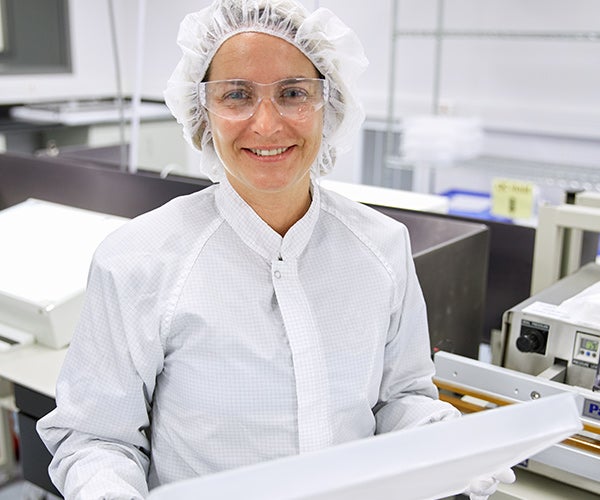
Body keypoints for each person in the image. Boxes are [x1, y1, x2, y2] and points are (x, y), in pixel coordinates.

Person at [38, 0, 514, 498]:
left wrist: (445, 444)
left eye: (292, 93)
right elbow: (96, 436)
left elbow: (399, 400)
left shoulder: (381, 249)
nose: (266, 124)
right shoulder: (139, 260)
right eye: (237, 95)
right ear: (203, 109)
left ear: (329, 104)